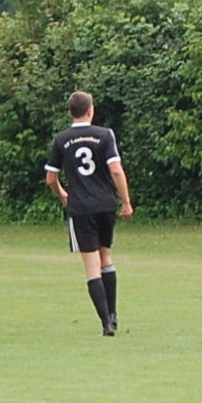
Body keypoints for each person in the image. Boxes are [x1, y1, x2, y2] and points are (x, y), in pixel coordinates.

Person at [45, 92, 133, 336]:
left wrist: (62, 194)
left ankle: (106, 323)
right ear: (90, 111)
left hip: (81, 208)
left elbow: (50, 178)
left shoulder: (61, 139)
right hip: (105, 204)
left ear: (70, 112)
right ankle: (113, 314)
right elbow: (116, 170)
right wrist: (126, 201)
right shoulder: (105, 135)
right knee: (106, 257)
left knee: (92, 267)